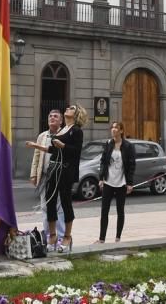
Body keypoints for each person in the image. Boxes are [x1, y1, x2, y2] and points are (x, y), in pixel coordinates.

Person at [26, 103, 87, 253]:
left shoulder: (76, 131)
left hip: (65, 170)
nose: (68, 108)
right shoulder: (64, 129)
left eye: (71, 108)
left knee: (66, 203)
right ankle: (52, 235)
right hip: (54, 169)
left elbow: (76, 151)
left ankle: (66, 236)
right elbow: (52, 150)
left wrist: (63, 146)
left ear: (77, 113)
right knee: (50, 202)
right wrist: (36, 146)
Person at [95, 121, 135, 244]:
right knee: (104, 211)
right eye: (112, 128)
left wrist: (129, 183)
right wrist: (101, 178)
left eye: (116, 128)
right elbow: (103, 162)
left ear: (121, 131)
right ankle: (102, 239)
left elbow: (131, 165)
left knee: (120, 211)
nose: (113, 130)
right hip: (108, 182)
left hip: (121, 183)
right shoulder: (108, 144)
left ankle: (118, 238)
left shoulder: (128, 146)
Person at [29, 109, 65, 242]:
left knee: (59, 207)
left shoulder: (64, 134)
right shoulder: (42, 136)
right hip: (44, 176)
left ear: (61, 121)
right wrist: (33, 175)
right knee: (45, 207)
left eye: (56, 116)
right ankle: (49, 236)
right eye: (50, 116)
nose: (52, 118)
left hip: (58, 176)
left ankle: (60, 237)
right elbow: (37, 156)